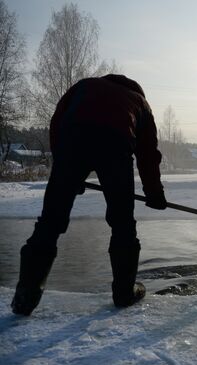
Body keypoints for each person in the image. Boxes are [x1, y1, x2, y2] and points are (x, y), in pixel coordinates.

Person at [11, 74, 167, 316]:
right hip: (116, 144)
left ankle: (26, 296)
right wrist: (154, 193)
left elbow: (57, 123)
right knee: (122, 223)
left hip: (72, 139)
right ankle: (124, 292)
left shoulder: (84, 86)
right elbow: (147, 154)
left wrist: (69, 172)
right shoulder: (140, 103)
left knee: (50, 221)